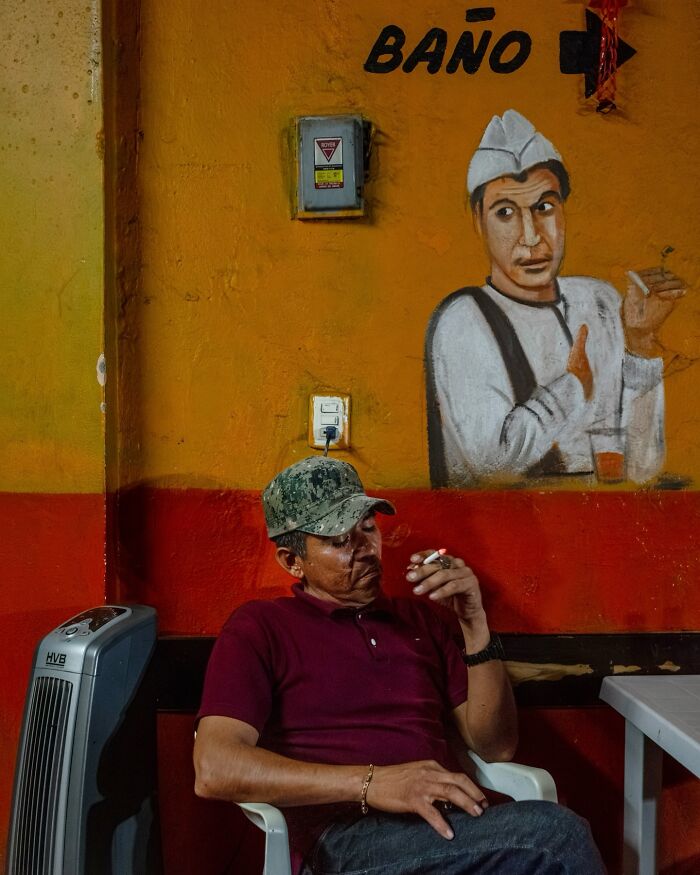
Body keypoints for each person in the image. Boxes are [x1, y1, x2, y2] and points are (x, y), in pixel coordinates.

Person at [194, 455, 605, 874]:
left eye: (368, 529)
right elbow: (215, 768)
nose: (365, 550)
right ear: (291, 561)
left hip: (459, 826)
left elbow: (495, 746)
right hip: (350, 839)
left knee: (549, 837)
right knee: (557, 838)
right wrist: (375, 783)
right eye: (338, 541)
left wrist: (473, 621)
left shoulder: (420, 621)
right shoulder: (261, 627)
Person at [425, 109, 686, 488]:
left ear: (563, 210)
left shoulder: (600, 301)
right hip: (505, 538)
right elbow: (492, 462)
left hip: (600, 532)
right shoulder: (464, 320)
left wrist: (640, 344)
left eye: (544, 207)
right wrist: (572, 387)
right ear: (479, 222)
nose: (531, 236)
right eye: (506, 213)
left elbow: (643, 467)